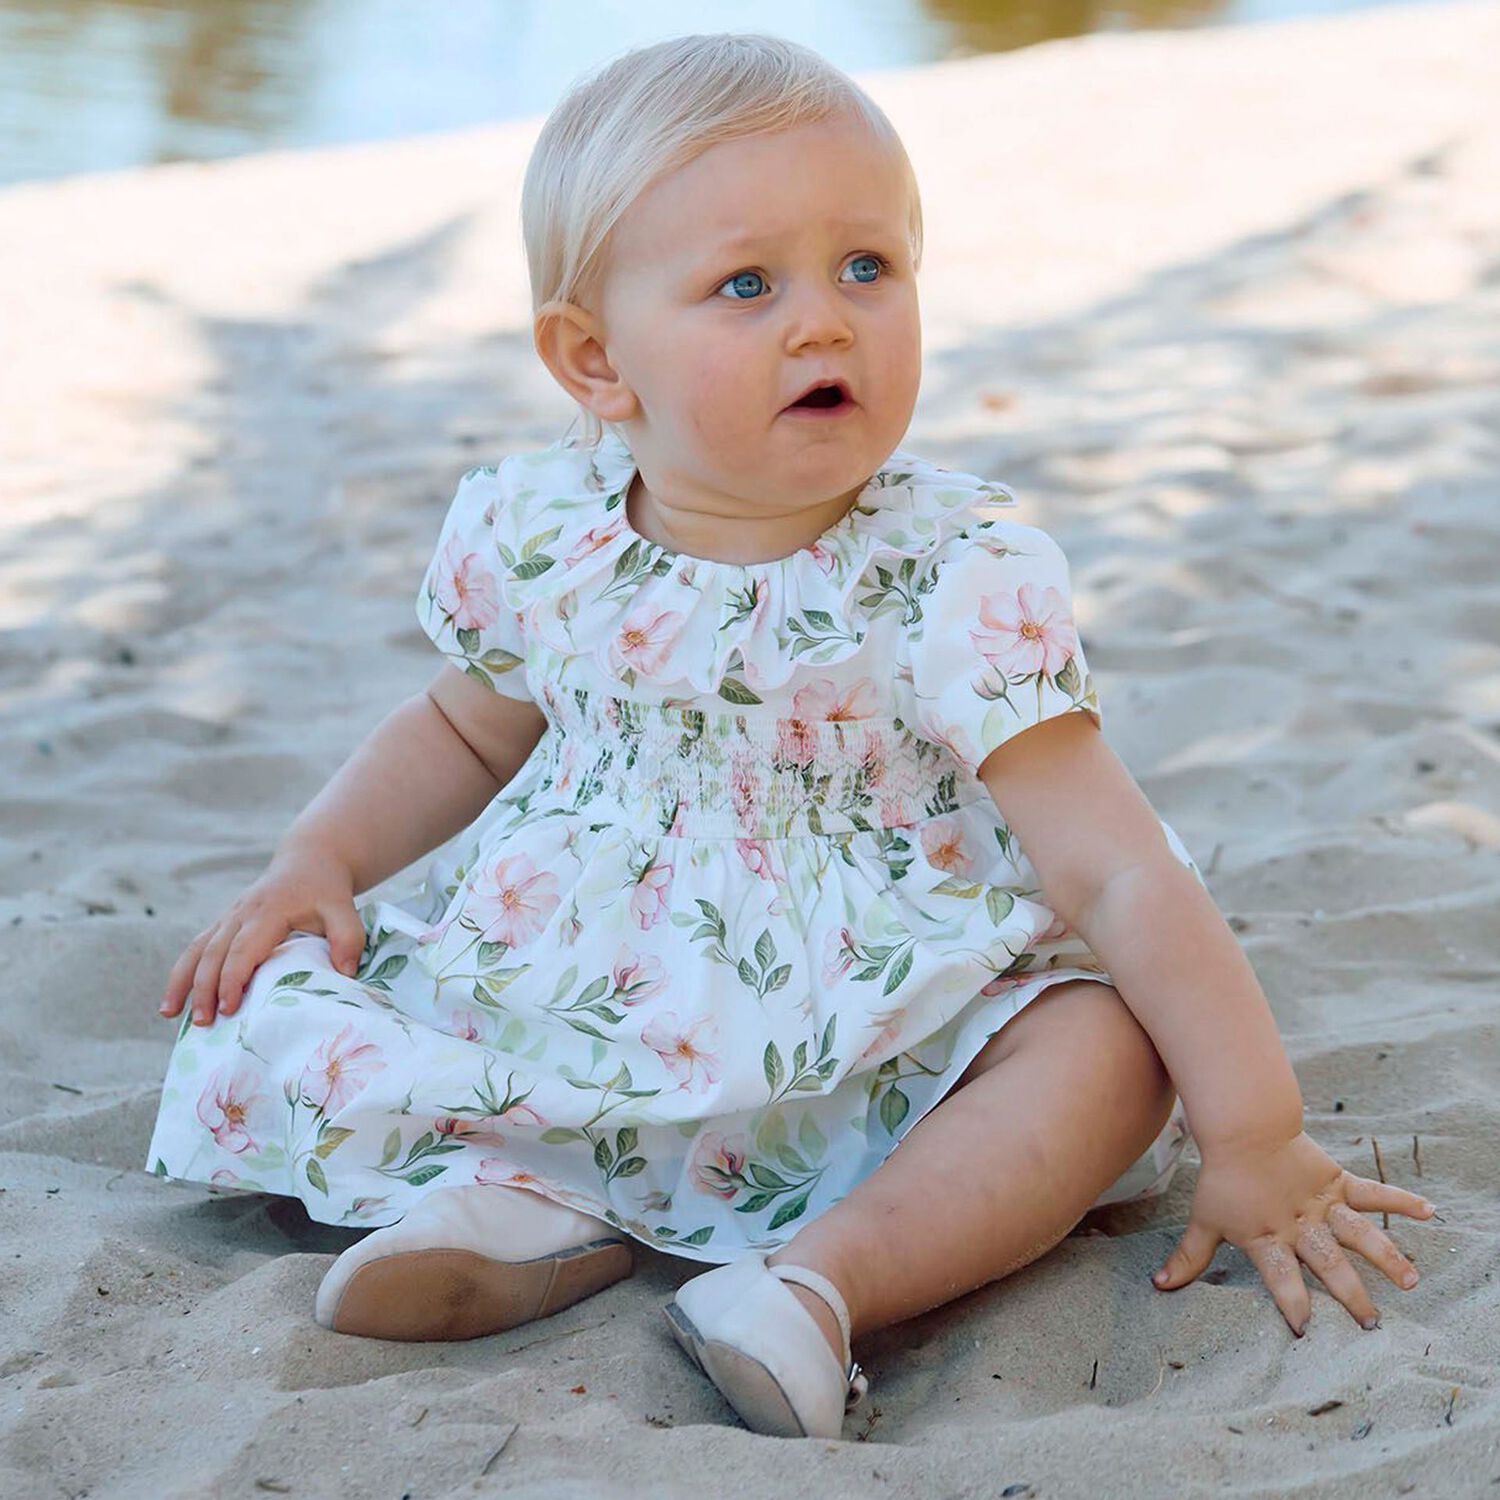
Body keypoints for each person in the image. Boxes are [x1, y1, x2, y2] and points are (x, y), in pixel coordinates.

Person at [146, 31, 1437, 1441]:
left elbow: (1117, 872)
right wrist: (317, 855)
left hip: (895, 1003)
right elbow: (462, 730)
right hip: (602, 978)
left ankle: (815, 1281)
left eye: (867, 268)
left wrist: (1255, 1135)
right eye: (747, 285)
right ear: (595, 360)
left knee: (1109, 1052)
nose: (824, 323)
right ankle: (525, 1210)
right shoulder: (547, 536)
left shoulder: (954, 574)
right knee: (328, 983)